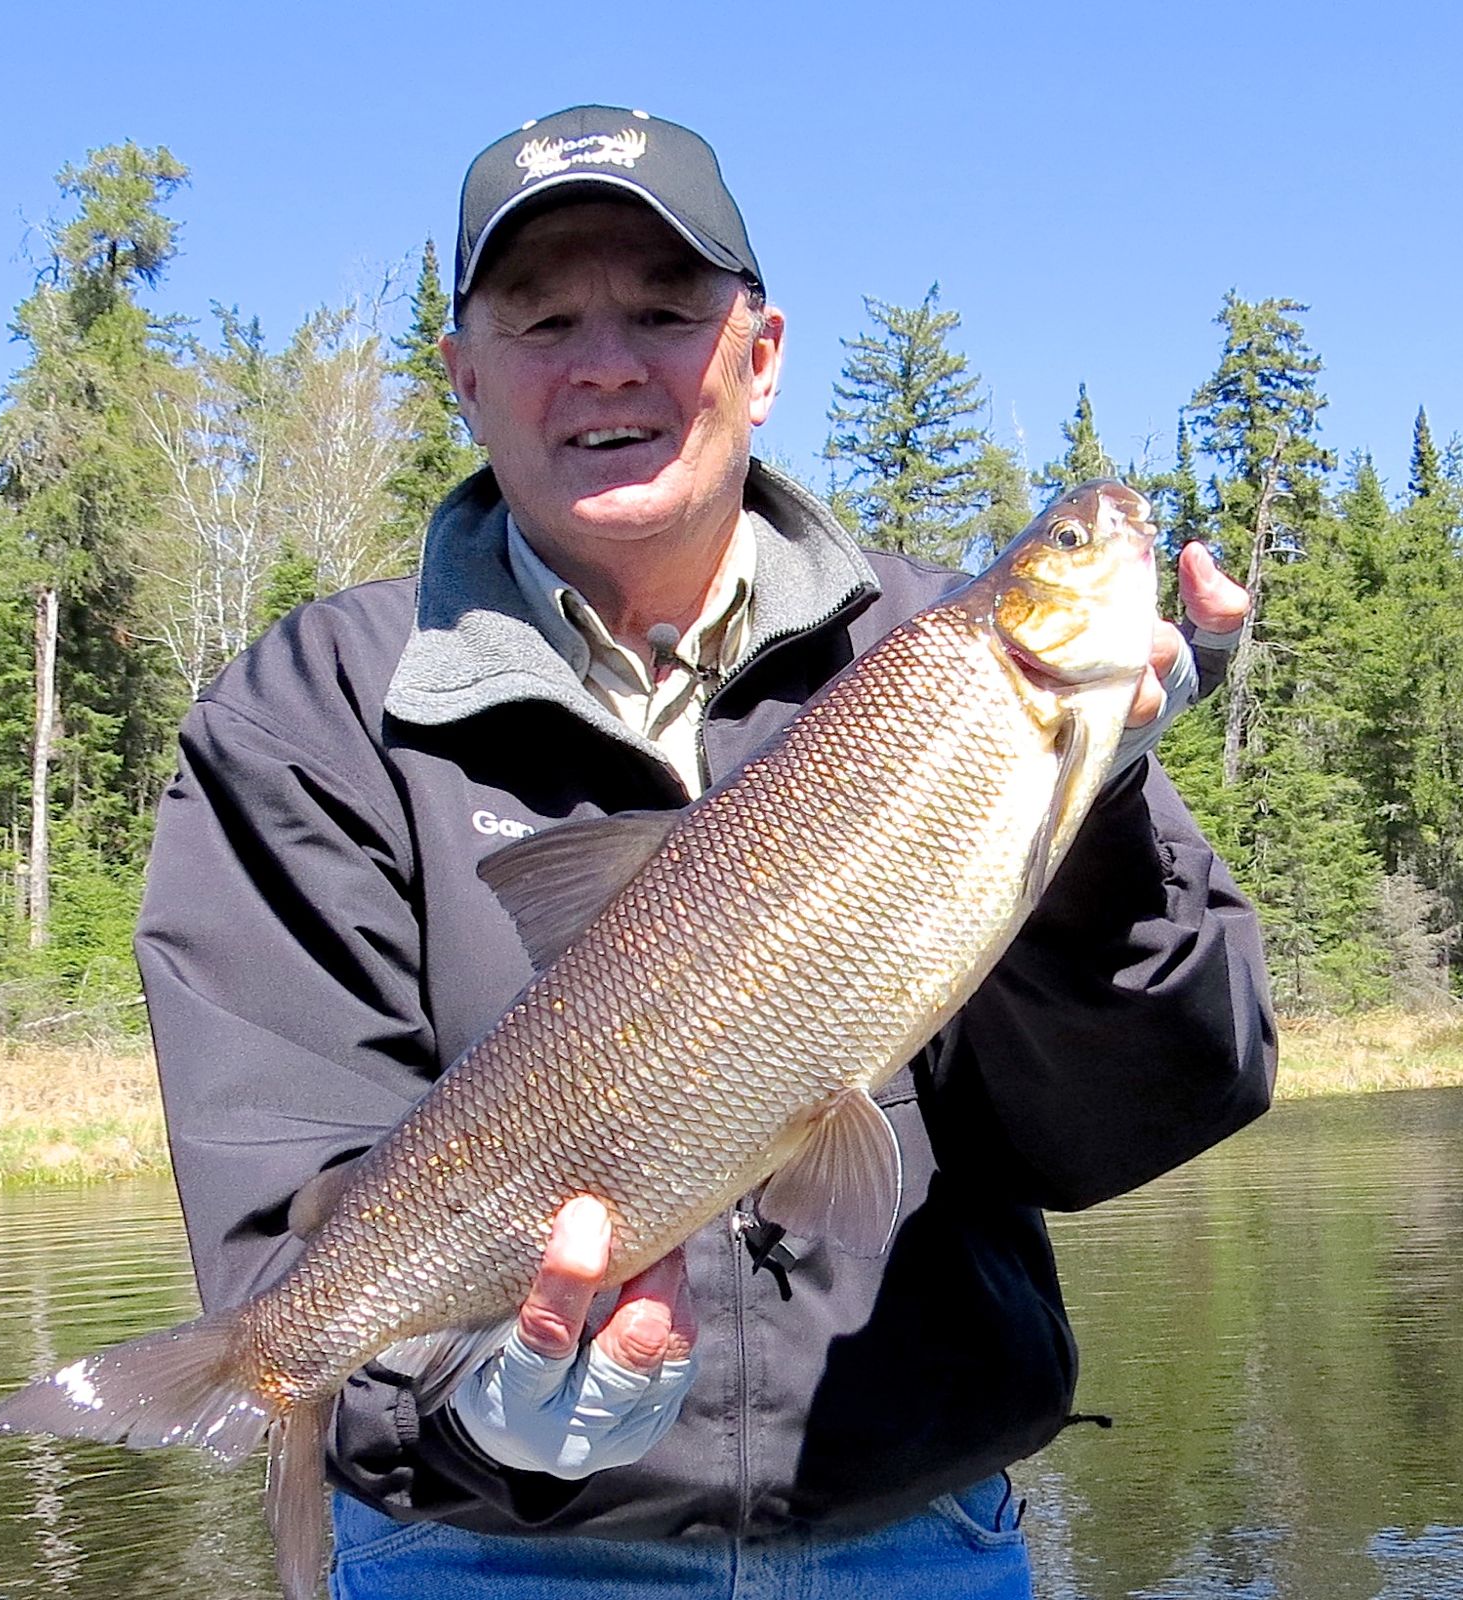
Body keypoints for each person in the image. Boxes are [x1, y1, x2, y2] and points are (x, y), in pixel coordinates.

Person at [134, 106, 1275, 1599]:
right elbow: (285, 1174)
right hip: (475, 1558)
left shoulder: (940, 667)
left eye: (665, 311)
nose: (609, 361)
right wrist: (463, 1408)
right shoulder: (312, 713)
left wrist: (1098, 819)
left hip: (924, 1534)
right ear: (462, 373)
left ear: (763, 350)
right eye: (545, 317)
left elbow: (1143, 1115)